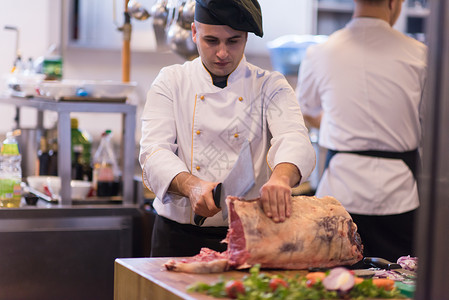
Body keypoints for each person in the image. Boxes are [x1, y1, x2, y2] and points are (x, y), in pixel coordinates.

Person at [139, 0, 316, 257]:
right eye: (212, 41)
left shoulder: (270, 86)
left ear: (245, 38)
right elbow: (154, 152)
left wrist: (281, 178)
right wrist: (191, 186)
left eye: (233, 41)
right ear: (194, 33)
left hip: (252, 236)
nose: (222, 53)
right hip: (177, 237)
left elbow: (294, 138)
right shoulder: (171, 81)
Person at [296, 0, 427, 262]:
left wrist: (340, 124)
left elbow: (307, 110)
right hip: (399, 193)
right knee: (397, 279)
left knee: (336, 279)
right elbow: (430, 120)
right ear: (395, 3)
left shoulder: (320, 52)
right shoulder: (420, 54)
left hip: (339, 193)